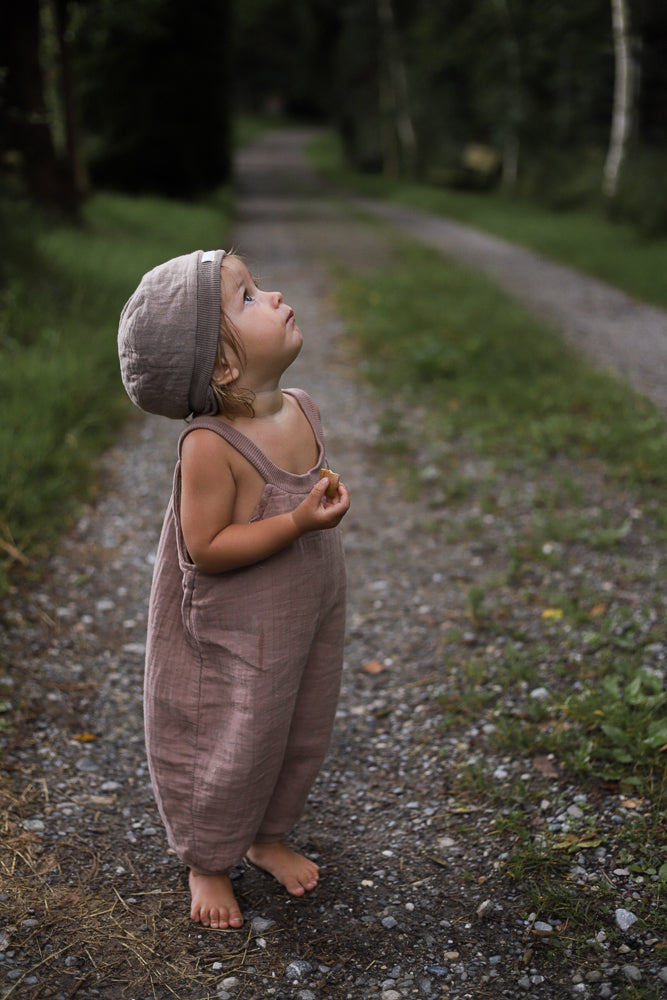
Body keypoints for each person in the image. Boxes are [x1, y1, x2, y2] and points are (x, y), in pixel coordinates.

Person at [118, 248, 349, 929]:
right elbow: (207, 548)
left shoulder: (300, 408)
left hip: (305, 612)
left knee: (299, 724)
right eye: (247, 297)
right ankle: (208, 857)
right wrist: (299, 520)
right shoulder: (210, 447)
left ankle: (266, 833)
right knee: (230, 732)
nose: (273, 295)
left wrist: (320, 502)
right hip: (233, 627)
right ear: (221, 366)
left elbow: (302, 495)